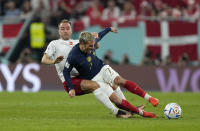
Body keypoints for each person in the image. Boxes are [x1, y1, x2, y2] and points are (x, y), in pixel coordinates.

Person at [41, 19, 135, 118]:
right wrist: (53, 61)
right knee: (95, 86)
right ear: (59, 31)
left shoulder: (79, 42)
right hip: (70, 80)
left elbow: (96, 46)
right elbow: (44, 59)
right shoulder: (54, 44)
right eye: (62, 29)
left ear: (71, 30)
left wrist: (94, 39)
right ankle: (117, 112)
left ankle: (129, 108)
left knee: (112, 83)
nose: (65, 31)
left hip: (84, 75)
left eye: (67, 28)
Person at [63, 27, 160, 118]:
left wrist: (109, 29)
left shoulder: (91, 41)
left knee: (119, 80)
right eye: (90, 46)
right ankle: (142, 113)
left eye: (93, 45)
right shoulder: (73, 56)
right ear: (82, 44)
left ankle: (150, 98)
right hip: (93, 79)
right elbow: (66, 72)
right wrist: (71, 88)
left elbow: (100, 35)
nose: (93, 48)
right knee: (116, 100)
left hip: (102, 67)